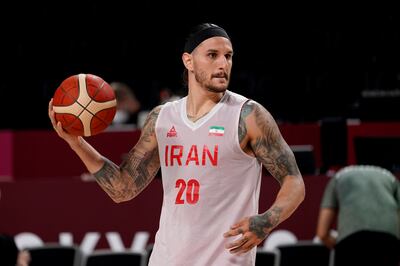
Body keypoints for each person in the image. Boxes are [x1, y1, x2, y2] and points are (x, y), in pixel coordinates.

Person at [48, 23, 305, 266]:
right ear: (188, 61)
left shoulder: (248, 115)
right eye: (212, 55)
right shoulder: (162, 118)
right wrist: (76, 143)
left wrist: (267, 220)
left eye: (228, 56)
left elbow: (294, 182)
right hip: (166, 259)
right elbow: (122, 189)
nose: (222, 63)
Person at [316, 165, 400, 266]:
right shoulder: (390, 178)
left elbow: (322, 233)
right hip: (388, 242)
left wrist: (339, 244)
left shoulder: (338, 177)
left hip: (350, 243)